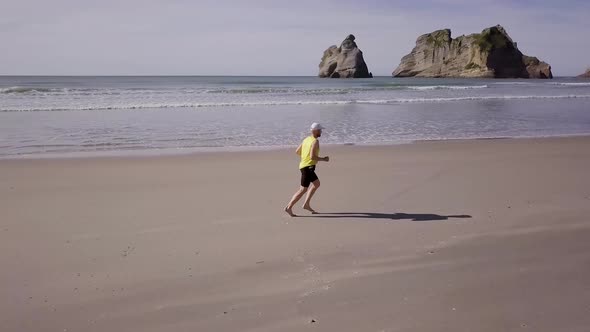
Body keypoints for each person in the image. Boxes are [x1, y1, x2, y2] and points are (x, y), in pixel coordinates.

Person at [284, 123, 330, 217]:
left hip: (305, 166)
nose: (321, 131)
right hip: (308, 168)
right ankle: (289, 207)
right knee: (303, 189)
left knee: (316, 184)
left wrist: (305, 157)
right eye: (320, 130)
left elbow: (297, 151)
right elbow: (312, 157)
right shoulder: (315, 141)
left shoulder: (306, 139)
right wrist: (324, 159)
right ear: (315, 131)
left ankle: (306, 204)